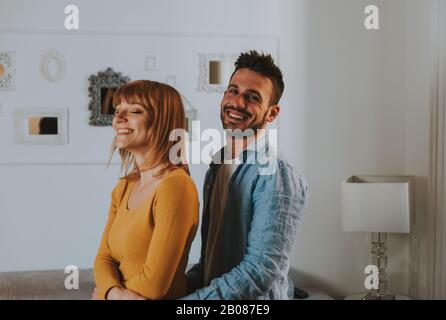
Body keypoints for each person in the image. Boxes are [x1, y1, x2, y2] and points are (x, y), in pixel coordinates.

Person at [183, 50, 308, 299]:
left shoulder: (275, 174)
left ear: (272, 113)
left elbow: (258, 272)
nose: (238, 102)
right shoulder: (217, 166)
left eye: (252, 97)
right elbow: (210, 261)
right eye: (233, 91)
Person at [93, 80, 199, 300]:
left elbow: (154, 285)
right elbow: (103, 258)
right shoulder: (123, 187)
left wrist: (107, 294)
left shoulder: (176, 186)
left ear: (161, 122)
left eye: (134, 111)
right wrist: (114, 293)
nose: (119, 118)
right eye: (117, 110)